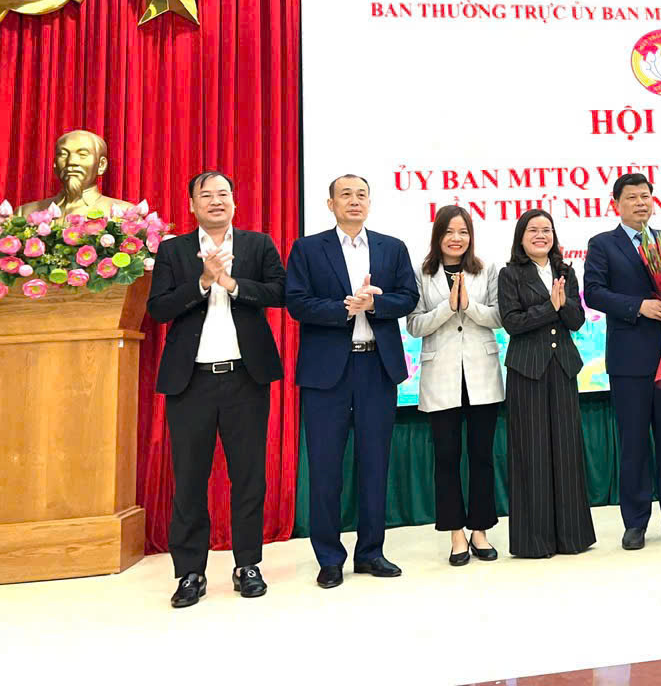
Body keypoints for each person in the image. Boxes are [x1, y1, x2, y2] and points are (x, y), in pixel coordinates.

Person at [147, 171, 285, 607]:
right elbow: (158, 308)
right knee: (190, 479)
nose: (216, 201)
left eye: (223, 193)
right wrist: (203, 283)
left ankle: (248, 565)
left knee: (249, 476)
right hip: (191, 382)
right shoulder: (173, 250)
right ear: (192, 205)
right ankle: (190, 572)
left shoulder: (257, 245)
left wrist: (233, 284)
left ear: (235, 202)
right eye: (205, 195)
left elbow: (281, 292)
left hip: (246, 378)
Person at [285, 174, 419, 587]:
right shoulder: (308, 248)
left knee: (375, 464)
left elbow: (408, 296)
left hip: (377, 367)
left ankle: (371, 552)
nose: (354, 201)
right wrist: (344, 308)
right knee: (325, 466)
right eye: (346, 195)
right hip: (327, 372)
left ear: (369, 202)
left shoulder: (392, 247)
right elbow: (296, 302)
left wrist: (374, 304)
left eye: (361, 194)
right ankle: (329, 558)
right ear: (331, 204)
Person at [583, 173, 661, 551]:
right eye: (632, 197)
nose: (640, 203)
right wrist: (639, 307)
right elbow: (594, 292)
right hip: (629, 358)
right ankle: (635, 522)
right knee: (633, 442)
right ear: (616, 203)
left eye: (645, 196)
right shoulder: (603, 244)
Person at [405, 205, 503, 566]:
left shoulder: (487, 269)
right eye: (449, 231)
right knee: (446, 458)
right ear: (438, 235)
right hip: (441, 376)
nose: (456, 238)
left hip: (482, 374)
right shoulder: (421, 273)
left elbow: (500, 316)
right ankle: (456, 534)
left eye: (463, 232)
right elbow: (413, 325)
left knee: (482, 456)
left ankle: (480, 530)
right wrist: (448, 307)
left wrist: (468, 305)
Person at [498, 209, 596, 558]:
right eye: (533, 230)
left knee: (567, 453)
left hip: (563, 367)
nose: (541, 235)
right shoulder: (510, 274)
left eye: (547, 230)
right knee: (532, 453)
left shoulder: (565, 271)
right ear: (521, 237)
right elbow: (511, 322)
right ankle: (534, 541)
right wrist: (550, 307)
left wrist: (563, 305)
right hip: (527, 370)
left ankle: (572, 537)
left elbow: (577, 320)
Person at [19, 128, 131, 218]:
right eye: (63, 154)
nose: (71, 161)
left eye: (82, 154)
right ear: (55, 164)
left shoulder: (125, 214)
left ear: (101, 165)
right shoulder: (25, 213)